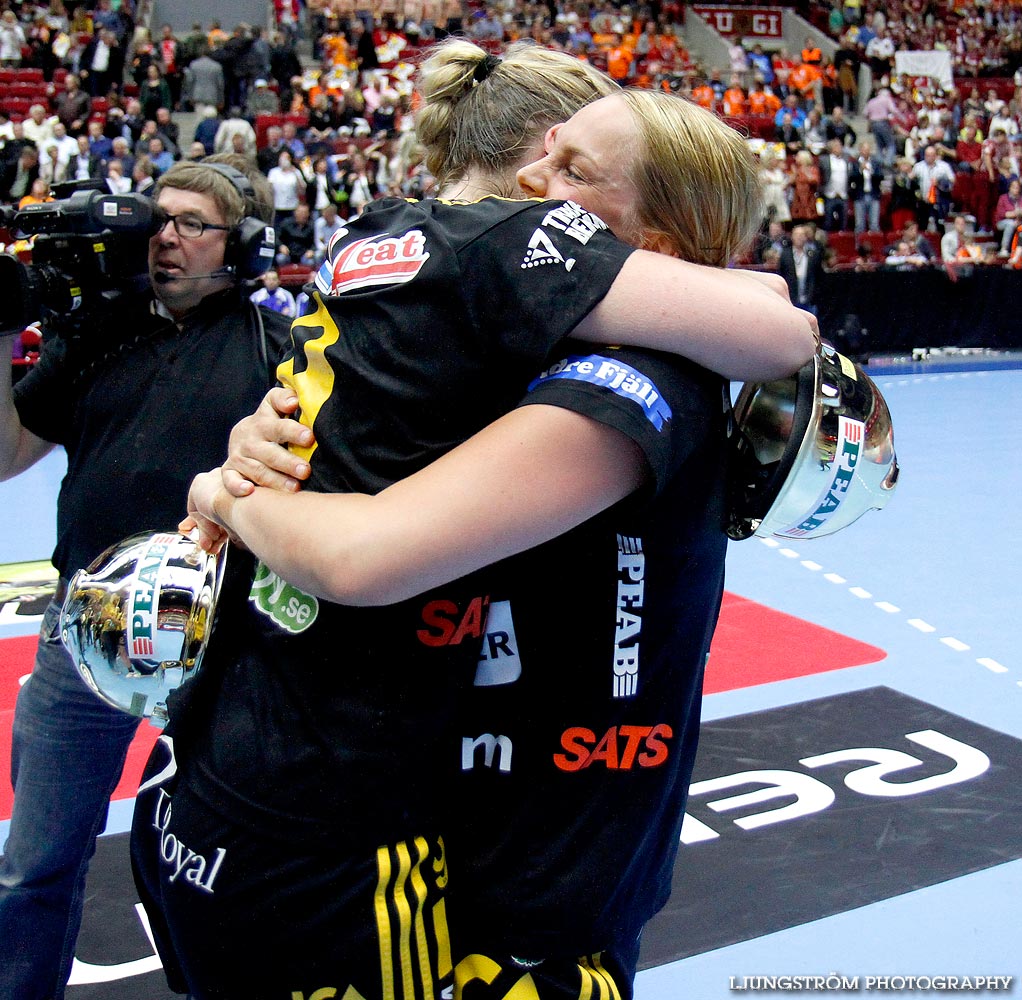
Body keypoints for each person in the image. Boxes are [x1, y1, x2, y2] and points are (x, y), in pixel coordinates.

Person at [129, 44, 816, 1000]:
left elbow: (362, 554)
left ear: (651, 244)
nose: (537, 180)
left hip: (524, 881)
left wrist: (221, 494)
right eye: (542, 155)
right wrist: (252, 450)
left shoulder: (612, 367)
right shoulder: (513, 322)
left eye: (573, 169)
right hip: (361, 804)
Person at [0, 157, 292, 1000]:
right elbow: (9, 453)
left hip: (225, 647)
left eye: (194, 223)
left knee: (231, 856)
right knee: (35, 865)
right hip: (81, 634)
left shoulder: (279, 350)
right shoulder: (94, 337)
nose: (166, 237)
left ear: (242, 243)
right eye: (157, 219)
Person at [778, 223, 825, 313]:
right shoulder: (785, 255)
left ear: (806, 237)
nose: (799, 237)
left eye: (802, 235)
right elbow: (781, 275)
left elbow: (819, 276)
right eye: (797, 234)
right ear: (792, 237)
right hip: (791, 300)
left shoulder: (813, 255)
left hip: (809, 300)